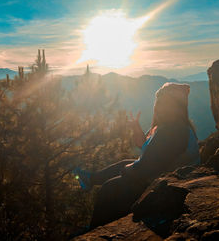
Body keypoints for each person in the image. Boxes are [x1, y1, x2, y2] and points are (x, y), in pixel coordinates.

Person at [73, 82, 200, 228]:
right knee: (125, 164)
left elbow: (146, 168)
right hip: (165, 175)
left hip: (170, 184)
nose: (159, 107)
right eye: (158, 102)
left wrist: (126, 172)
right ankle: (90, 179)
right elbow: (147, 147)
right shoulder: (167, 127)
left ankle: (94, 231)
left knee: (109, 189)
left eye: (165, 103)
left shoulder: (174, 130)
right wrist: (136, 129)